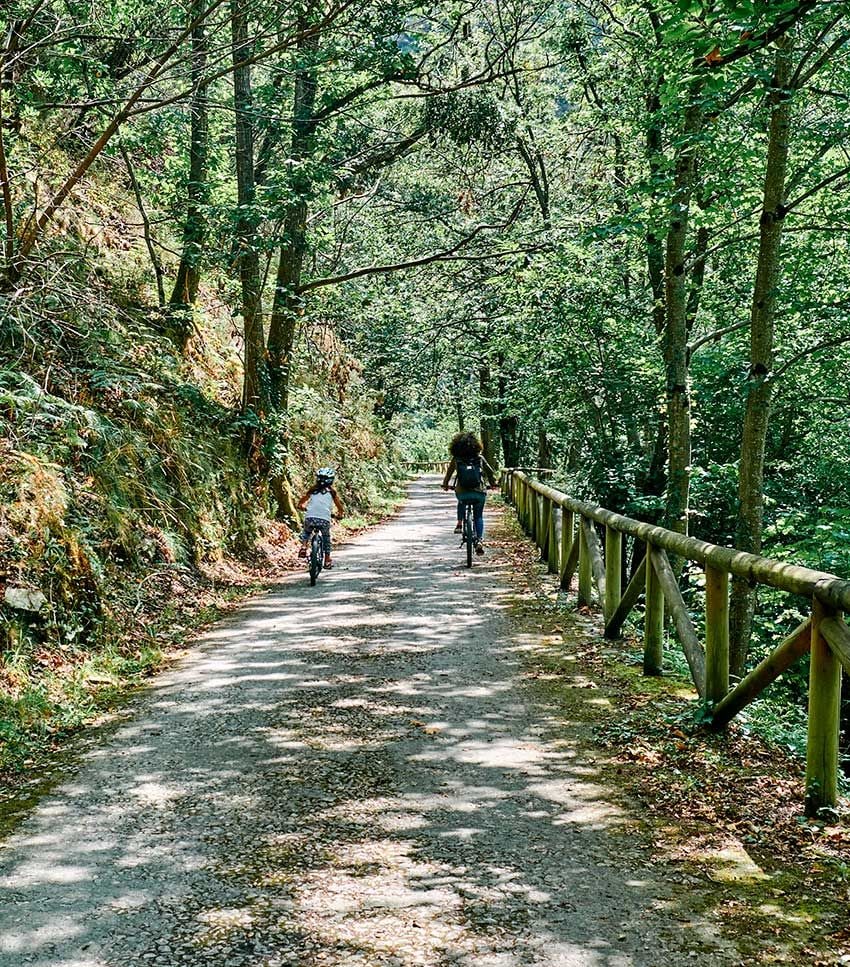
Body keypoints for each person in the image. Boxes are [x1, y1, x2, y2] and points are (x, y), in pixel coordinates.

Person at [441, 432, 497, 555]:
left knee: (461, 500)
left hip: (462, 492)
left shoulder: (456, 459)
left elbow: (448, 475)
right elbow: (490, 472)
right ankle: (479, 540)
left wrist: (445, 485)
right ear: (476, 445)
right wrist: (493, 484)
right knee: (478, 516)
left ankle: (460, 523)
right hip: (479, 492)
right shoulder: (480, 458)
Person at [297, 467, 345, 569]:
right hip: (324, 519)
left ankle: (304, 546)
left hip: (310, 517)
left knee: (306, 532)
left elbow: (301, 502)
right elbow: (340, 507)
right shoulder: (332, 493)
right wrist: (340, 514)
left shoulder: (312, 490)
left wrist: (301, 506)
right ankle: (327, 560)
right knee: (326, 539)